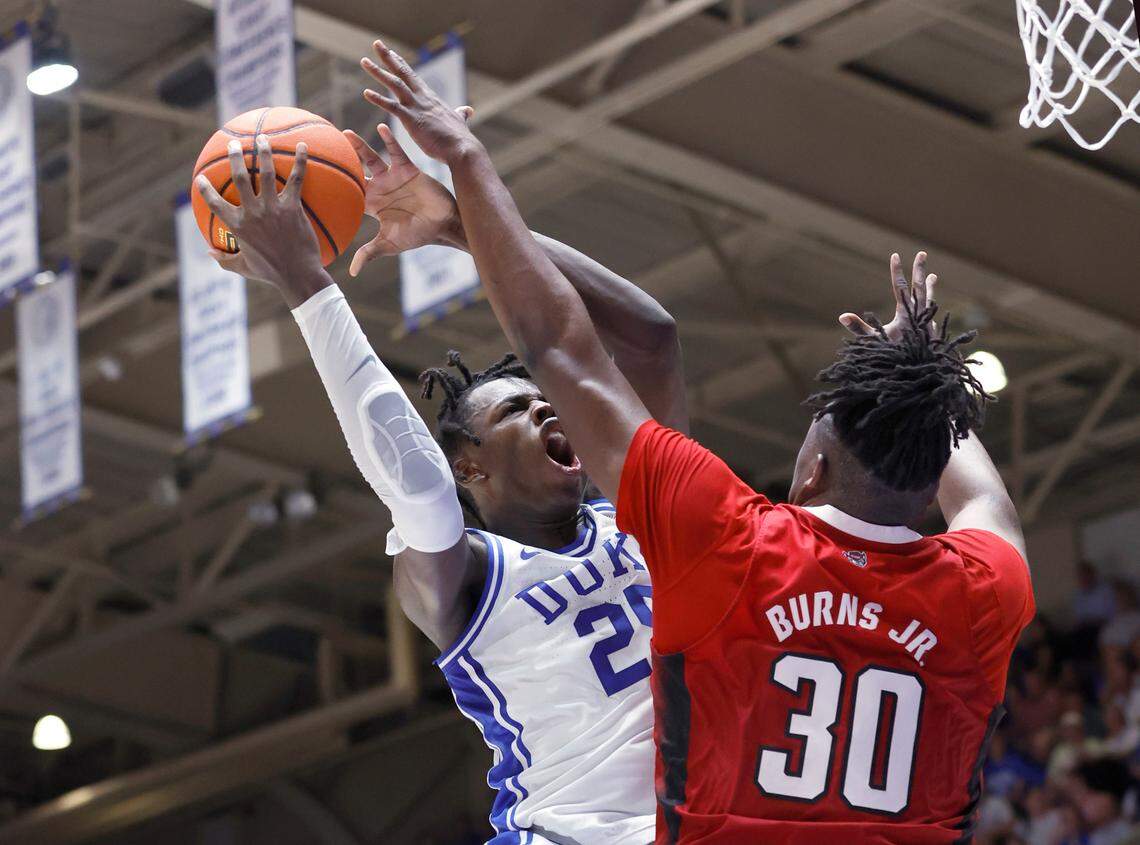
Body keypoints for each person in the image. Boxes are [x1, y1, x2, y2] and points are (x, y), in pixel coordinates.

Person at [357, 38, 1037, 843]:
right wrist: (915, 366)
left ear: (812, 469)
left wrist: (468, 172)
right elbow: (983, 496)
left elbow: (563, 346)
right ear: (930, 481)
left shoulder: (731, 540)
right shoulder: (985, 586)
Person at [194, 121, 690, 844]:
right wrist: (308, 283)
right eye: (517, 409)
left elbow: (652, 337)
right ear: (472, 467)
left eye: (545, 400)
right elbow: (417, 487)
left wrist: (461, 224)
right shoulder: (466, 576)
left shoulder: (646, 513)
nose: (547, 405)